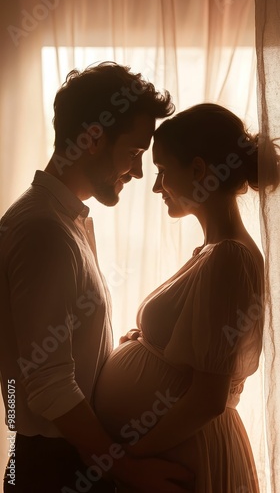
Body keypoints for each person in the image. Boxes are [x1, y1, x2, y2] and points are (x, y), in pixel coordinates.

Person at [0, 62, 194, 493]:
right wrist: (127, 470)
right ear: (91, 139)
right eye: (133, 154)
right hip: (55, 468)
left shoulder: (64, 221)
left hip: (64, 460)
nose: (139, 173)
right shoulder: (43, 230)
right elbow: (49, 386)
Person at [93, 103, 265, 492]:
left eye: (163, 172)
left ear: (200, 171)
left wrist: (130, 457)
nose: (156, 187)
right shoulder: (212, 251)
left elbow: (208, 398)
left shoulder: (230, 257)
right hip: (174, 449)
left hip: (183, 453)